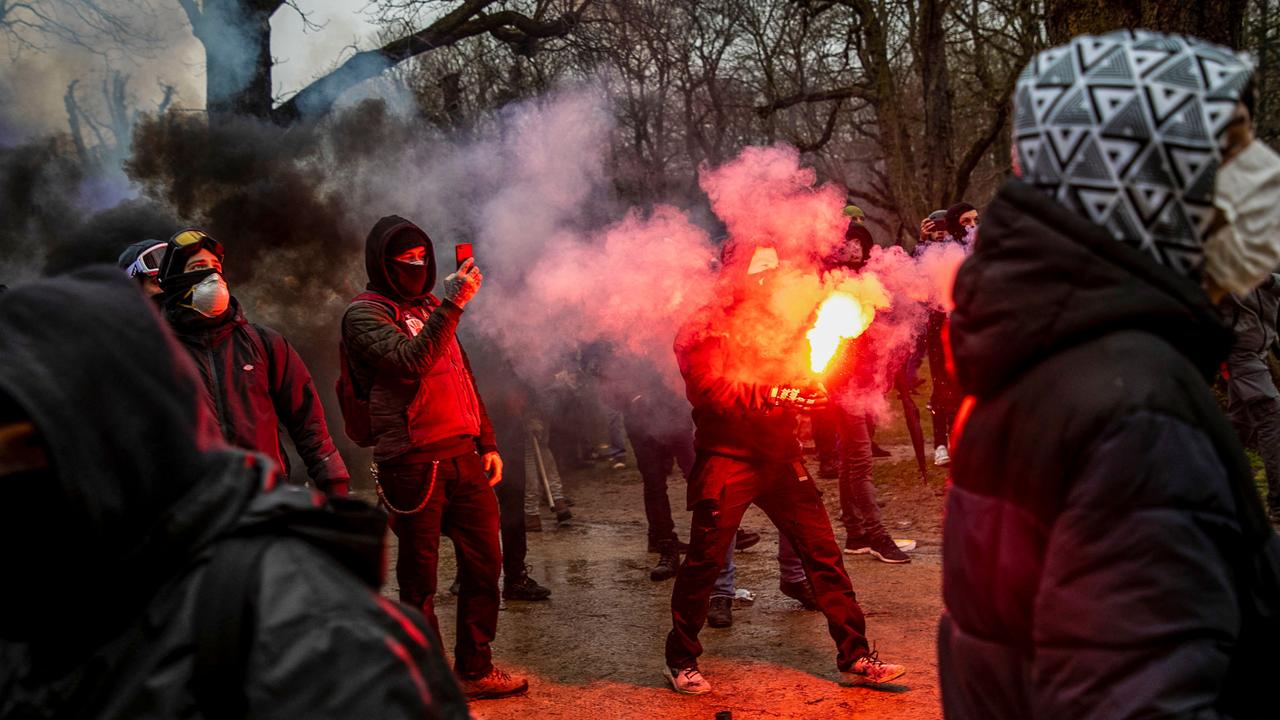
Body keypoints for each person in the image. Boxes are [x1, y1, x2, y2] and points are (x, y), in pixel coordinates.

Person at [940, 31, 1280, 719]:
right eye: (1228, 158)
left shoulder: (1052, 352)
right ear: (1140, 184)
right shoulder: (1135, 405)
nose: (1261, 182)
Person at [0, 267, 467, 719]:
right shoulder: (37, 607)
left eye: (22, 445)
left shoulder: (317, 636)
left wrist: (333, 478)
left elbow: (307, 418)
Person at [664, 242, 905, 694]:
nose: (772, 280)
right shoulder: (703, 326)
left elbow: (797, 373)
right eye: (761, 272)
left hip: (780, 456)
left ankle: (854, 655)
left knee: (824, 554)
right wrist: (775, 394)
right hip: (726, 458)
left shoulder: (778, 320)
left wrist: (805, 385)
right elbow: (708, 390)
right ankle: (681, 659)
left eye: (776, 270)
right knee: (704, 562)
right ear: (735, 273)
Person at [340, 215, 526, 699]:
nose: (417, 267)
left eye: (423, 258)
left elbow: (461, 376)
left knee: (487, 566)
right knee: (419, 577)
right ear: (382, 263)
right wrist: (454, 304)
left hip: (464, 456)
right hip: (413, 462)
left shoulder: (432, 307)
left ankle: (475, 668)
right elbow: (411, 361)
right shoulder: (364, 315)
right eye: (406, 260)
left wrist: (486, 441)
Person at [156, 228, 350, 495]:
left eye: (216, 267)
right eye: (199, 267)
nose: (212, 276)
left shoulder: (264, 344)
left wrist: (333, 480)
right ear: (176, 279)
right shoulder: (156, 354)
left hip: (264, 500)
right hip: (195, 509)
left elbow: (308, 423)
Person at [1223, 274, 1280, 526]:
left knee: (1239, 428)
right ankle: (1278, 504)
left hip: (1260, 352)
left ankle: (1198, 479)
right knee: (1273, 417)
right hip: (1239, 354)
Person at [917, 209, 963, 466]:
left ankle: (957, 439)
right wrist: (923, 241)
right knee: (940, 387)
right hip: (936, 329)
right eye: (935, 226)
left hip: (960, 327)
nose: (940, 230)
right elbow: (914, 276)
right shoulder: (923, 250)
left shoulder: (960, 249)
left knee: (960, 386)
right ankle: (940, 444)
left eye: (944, 225)